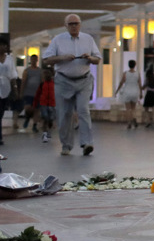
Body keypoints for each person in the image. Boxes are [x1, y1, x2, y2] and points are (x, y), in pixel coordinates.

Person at [42, 14, 101, 156]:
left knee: (83, 110)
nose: (74, 26)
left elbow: (97, 59)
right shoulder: (58, 40)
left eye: (76, 23)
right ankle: (66, 145)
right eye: (71, 24)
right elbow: (46, 60)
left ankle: (87, 143)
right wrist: (62, 57)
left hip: (84, 80)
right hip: (63, 80)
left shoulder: (88, 39)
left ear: (80, 25)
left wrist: (90, 58)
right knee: (64, 114)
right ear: (66, 26)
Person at [19, 54, 44, 131]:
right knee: (28, 108)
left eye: (35, 59)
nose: (33, 61)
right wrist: (21, 92)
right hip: (28, 92)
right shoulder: (27, 71)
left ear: (37, 60)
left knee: (37, 109)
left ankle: (34, 125)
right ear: (30, 60)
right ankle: (28, 117)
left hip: (37, 93)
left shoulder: (40, 71)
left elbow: (42, 82)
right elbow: (23, 81)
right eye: (32, 59)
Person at [115, 60, 142, 128]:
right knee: (133, 108)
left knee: (128, 109)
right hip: (135, 92)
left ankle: (129, 122)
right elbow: (140, 84)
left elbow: (121, 83)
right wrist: (141, 93)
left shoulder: (125, 73)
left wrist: (117, 91)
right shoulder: (138, 74)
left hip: (127, 92)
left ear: (128, 65)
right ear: (135, 65)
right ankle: (133, 118)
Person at [35, 68, 56, 142]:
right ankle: (45, 133)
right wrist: (35, 104)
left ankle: (48, 130)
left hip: (52, 103)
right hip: (43, 103)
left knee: (50, 119)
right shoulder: (42, 84)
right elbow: (38, 94)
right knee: (45, 117)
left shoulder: (53, 84)